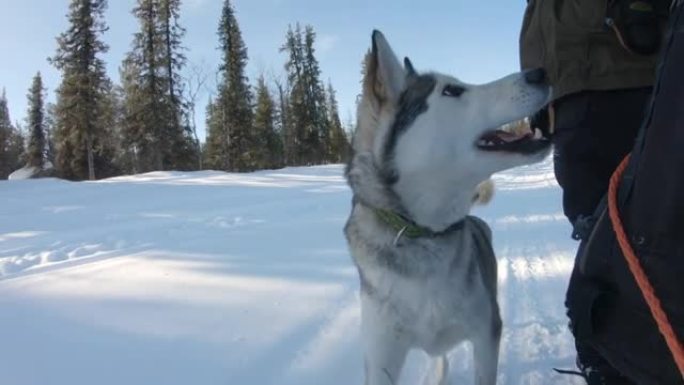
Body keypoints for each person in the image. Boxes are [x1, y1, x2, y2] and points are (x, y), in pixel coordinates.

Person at [519, 0, 675, 384]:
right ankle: (614, 361)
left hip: (630, 76)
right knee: (601, 240)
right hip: (570, 95)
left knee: (653, 245)